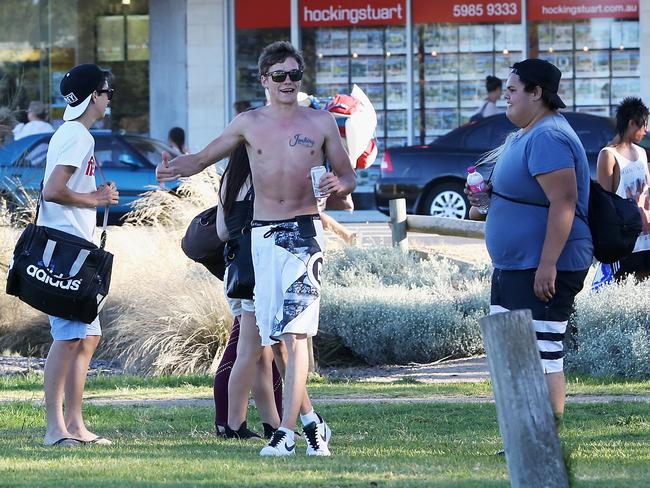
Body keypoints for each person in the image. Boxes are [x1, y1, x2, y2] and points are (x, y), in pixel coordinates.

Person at [157, 40, 356, 456]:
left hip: (301, 233)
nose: (288, 82)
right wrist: (171, 167)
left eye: (294, 75)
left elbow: (347, 175)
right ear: (265, 79)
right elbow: (202, 159)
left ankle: (285, 434)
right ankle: (311, 422)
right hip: (262, 237)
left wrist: (340, 185)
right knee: (277, 339)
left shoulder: (320, 123)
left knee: (295, 335)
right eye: (279, 75)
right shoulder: (248, 123)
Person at [467, 59, 593, 430]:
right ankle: (523, 438)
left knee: (542, 356)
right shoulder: (524, 134)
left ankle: (544, 441)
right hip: (514, 266)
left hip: (543, 266)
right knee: (511, 355)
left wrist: (548, 264)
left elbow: (564, 202)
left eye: (513, 90)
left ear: (537, 93)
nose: (505, 97)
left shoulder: (548, 136)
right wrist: (485, 202)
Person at [39, 63, 119, 447]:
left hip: (77, 248)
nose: (109, 99)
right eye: (107, 92)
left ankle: (76, 424)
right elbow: (52, 190)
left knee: (87, 338)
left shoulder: (75, 134)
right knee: (68, 337)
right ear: (92, 96)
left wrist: (93, 196)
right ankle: (55, 430)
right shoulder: (76, 136)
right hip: (65, 248)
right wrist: (97, 198)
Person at [214, 143, 283, 439]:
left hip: (238, 273)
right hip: (260, 271)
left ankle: (272, 423)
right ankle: (234, 424)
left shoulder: (228, 178)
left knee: (261, 353)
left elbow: (221, 232)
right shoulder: (263, 176)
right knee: (249, 351)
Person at [596, 97, 650, 282]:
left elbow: (647, 191)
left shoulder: (642, 152)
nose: (646, 130)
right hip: (627, 240)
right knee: (626, 283)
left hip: (647, 235)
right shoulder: (608, 155)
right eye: (643, 125)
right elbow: (605, 203)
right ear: (632, 123)